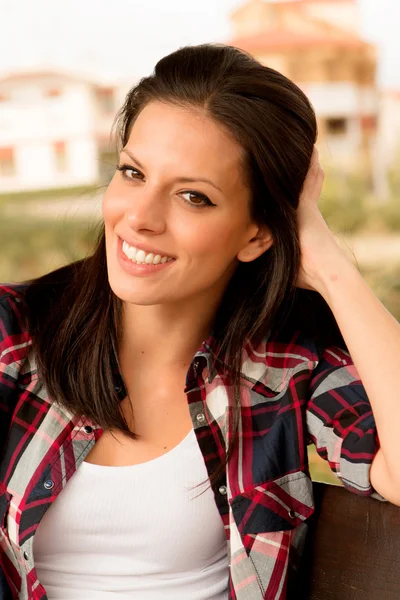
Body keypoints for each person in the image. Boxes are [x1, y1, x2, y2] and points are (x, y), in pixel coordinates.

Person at [0, 43, 399, 600]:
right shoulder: (14, 336)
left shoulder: (284, 364)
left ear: (258, 233)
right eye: (133, 173)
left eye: (194, 197)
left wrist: (329, 265)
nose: (139, 218)